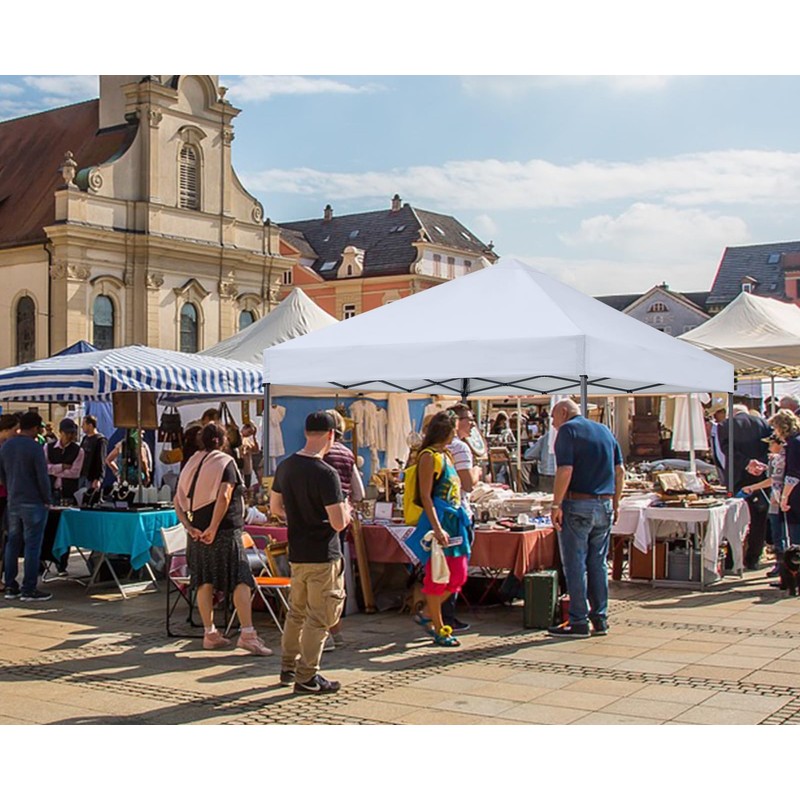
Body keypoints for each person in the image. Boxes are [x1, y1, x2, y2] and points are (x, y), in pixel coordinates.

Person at [270, 411, 351, 694]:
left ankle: (287, 667)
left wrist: (297, 517)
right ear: (330, 435)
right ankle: (306, 676)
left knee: (296, 613)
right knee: (319, 617)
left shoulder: (286, 466)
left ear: (306, 433)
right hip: (322, 553)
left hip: (298, 551)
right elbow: (339, 522)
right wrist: (348, 511)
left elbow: (275, 508)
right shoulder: (326, 473)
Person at [174, 422, 271, 656]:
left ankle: (210, 633)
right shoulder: (225, 461)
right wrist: (214, 527)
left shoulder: (191, 463)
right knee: (241, 579)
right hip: (224, 530)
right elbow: (225, 495)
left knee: (204, 580)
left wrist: (189, 527)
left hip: (197, 530)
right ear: (224, 440)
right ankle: (248, 634)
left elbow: (177, 499)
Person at [548, 399, 624, 638]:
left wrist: (556, 503)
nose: (552, 423)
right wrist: (616, 501)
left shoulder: (568, 431)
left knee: (575, 563)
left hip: (578, 503)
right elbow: (620, 469)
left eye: (552, 417)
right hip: (604, 503)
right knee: (598, 563)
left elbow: (565, 470)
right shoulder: (604, 430)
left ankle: (579, 620)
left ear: (563, 412)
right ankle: (600, 618)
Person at [410, 410, 472, 648]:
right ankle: (439, 627)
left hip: (454, 522)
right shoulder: (428, 456)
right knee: (437, 575)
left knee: (458, 574)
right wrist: (437, 528)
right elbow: (426, 496)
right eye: (454, 430)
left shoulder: (446, 455)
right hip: (439, 522)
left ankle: (427, 611)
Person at [322, 409, 365, 649]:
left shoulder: (319, 454)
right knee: (334, 577)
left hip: (318, 521)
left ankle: (327, 630)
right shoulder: (347, 454)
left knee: (322, 579)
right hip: (340, 520)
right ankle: (334, 628)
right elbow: (358, 492)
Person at [0, 412, 53, 601]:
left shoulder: (7, 446)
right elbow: (42, 477)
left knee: (12, 543)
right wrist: (47, 498)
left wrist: (11, 488)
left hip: (13, 500)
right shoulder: (35, 447)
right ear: (36, 428)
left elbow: (2, 474)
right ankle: (29, 588)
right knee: (32, 545)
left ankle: (10, 585)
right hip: (33, 502)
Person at [440, 403, 481, 634]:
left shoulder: (433, 447)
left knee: (441, 568)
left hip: (441, 514)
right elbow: (467, 483)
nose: (473, 424)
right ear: (456, 421)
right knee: (457, 568)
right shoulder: (460, 448)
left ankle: (438, 613)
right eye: (469, 419)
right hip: (458, 513)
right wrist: (477, 473)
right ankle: (443, 615)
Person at [717, 403, 771, 569]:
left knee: (733, 518)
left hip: (737, 476)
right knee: (759, 519)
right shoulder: (764, 424)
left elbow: (727, 449)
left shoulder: (725, 426)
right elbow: (771, 448)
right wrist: (759, 464)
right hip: (760, 477)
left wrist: (747, 463)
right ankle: (753, 558)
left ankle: (733, 559)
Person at [744, 432, 786, 580]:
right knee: (777, 533)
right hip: (776, 500)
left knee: (779, 534)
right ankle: (780, 564)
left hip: (780, 500)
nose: (769, 447)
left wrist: (753, 487)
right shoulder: (776, 459)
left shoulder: (781, 458)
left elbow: (774, 480)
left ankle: (782, 565)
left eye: (771, 443)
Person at [773, 410, 800, 548]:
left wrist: (784, 497)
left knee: (796, 539)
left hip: (796, 497)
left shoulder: (794, 443)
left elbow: (793, 474)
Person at [0, 413, 20, 583]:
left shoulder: (7, 445)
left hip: (7, 495)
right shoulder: (4, 447)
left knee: (5, 537)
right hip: (3, 494)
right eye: (15, 429)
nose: (17, 433)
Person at [45, 418, 85, 505]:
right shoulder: (48, 447)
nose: (70, 436)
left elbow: (74, 473)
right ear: (60, 432)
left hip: (69, 493)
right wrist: (61, 467)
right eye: (67, 433)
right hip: (50, 491)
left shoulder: (79, 451)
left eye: (72, 433)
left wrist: (53, 470)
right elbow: (44, 468)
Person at [79, 415, 108, 491]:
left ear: (90, 425)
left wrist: (98, 478)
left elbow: (101, 460)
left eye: (84, 424)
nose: (82, 426)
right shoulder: (85, 438)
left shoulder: (100, 440)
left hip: (92, 477)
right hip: (82, 475)